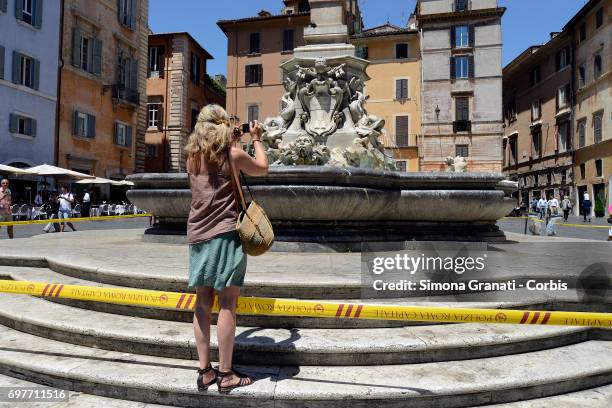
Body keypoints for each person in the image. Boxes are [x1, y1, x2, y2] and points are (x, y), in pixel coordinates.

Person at [185, 104, 268, 394]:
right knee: (228, 304)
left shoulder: (191, 158)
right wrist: (255, 138)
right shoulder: (232, 154)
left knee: (203, 303)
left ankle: (204, 371)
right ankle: (226, 373)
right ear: (223, 125)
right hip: (225, 234)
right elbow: (263, 168)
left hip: (197, 235)